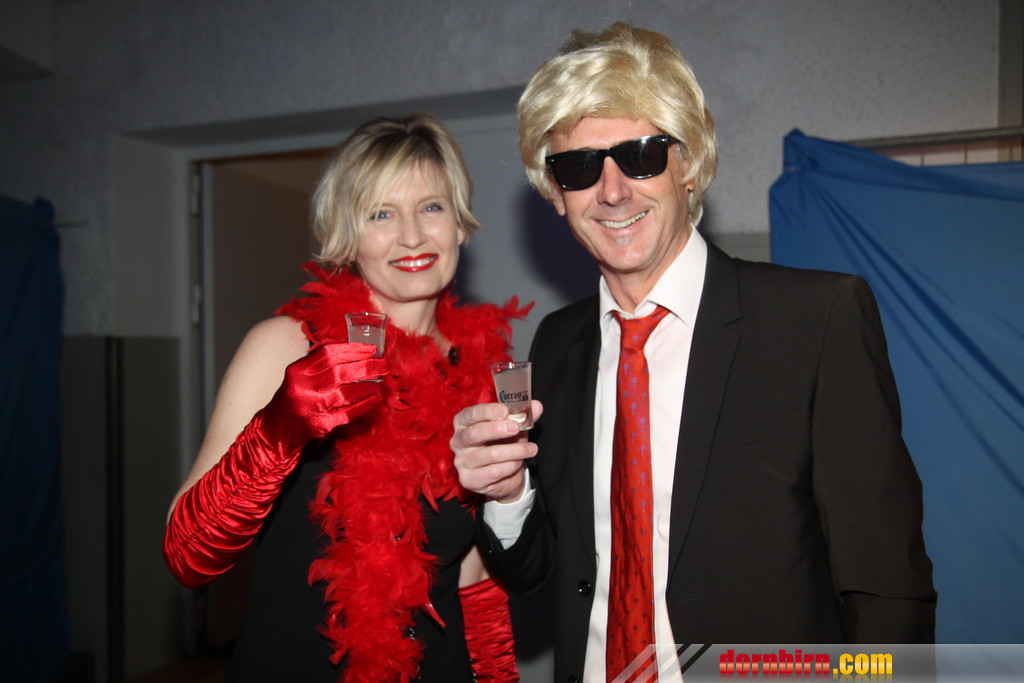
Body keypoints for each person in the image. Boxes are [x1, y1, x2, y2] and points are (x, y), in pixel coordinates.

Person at [451, 22, 937, 683]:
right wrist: (509, 495)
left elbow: (887, 586)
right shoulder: (559, 343)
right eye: (580, 166)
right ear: (555, 194)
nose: (613, 190)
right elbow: (545, 572)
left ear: (689, 165)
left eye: (641, 155)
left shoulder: (814, 321)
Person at [163, 112, 527, 682]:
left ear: (460, 223)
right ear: (347, 234)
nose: (412, 235)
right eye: (381, 213)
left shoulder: (484, 372)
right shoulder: (287, 347)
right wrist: (281, 428)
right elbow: (188, 557)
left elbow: (476, 581)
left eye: (431, 206)